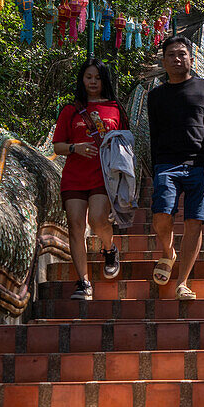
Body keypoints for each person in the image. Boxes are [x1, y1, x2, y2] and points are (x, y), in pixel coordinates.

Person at [147, 37, 204, 300]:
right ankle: (168, 253)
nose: (177, 59)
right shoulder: (155, 95)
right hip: (167, 164)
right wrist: (155, 166)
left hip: (199, 165)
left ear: (192, 57)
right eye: (171, 55)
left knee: (194, 222)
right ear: (164, 61)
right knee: (161, 216)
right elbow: (153, 134)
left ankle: (183, 282)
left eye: (182, 54)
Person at [52, 59, 126, 300]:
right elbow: (58, 145)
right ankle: (83, 282)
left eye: (98, 77)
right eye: (88, 77)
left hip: (103, 176)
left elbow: (126, 142)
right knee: (75, 226)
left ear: (104, 80)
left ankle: (109, 248)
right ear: (82, 80)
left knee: (97, 220)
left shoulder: (116, 108)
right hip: (74, 177)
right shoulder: (70, 110)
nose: (93, 82)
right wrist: (76, 148)